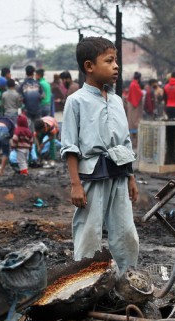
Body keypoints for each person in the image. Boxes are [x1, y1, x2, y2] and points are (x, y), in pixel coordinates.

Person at [60, 36, 139, 275]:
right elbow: (70, 147)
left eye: (116, 61)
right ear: (89, 66)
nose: (116, 66)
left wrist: (131, 177)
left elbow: (125, 142)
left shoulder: (116, 101)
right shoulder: (76, 102)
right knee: (89, 233)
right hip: (91, 177)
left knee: (126, 232)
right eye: (109, 61)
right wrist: (75, 184)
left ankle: (127, 281)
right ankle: (85, 283)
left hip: (119, 175)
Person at [127, 72, 143, 146]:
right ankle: (135, 143)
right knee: (134, 123)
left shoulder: (132, 84)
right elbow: (140, 94)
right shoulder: (135, 85)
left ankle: (134, 142)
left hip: (132, 106)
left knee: (132, 123)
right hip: (134, 107)